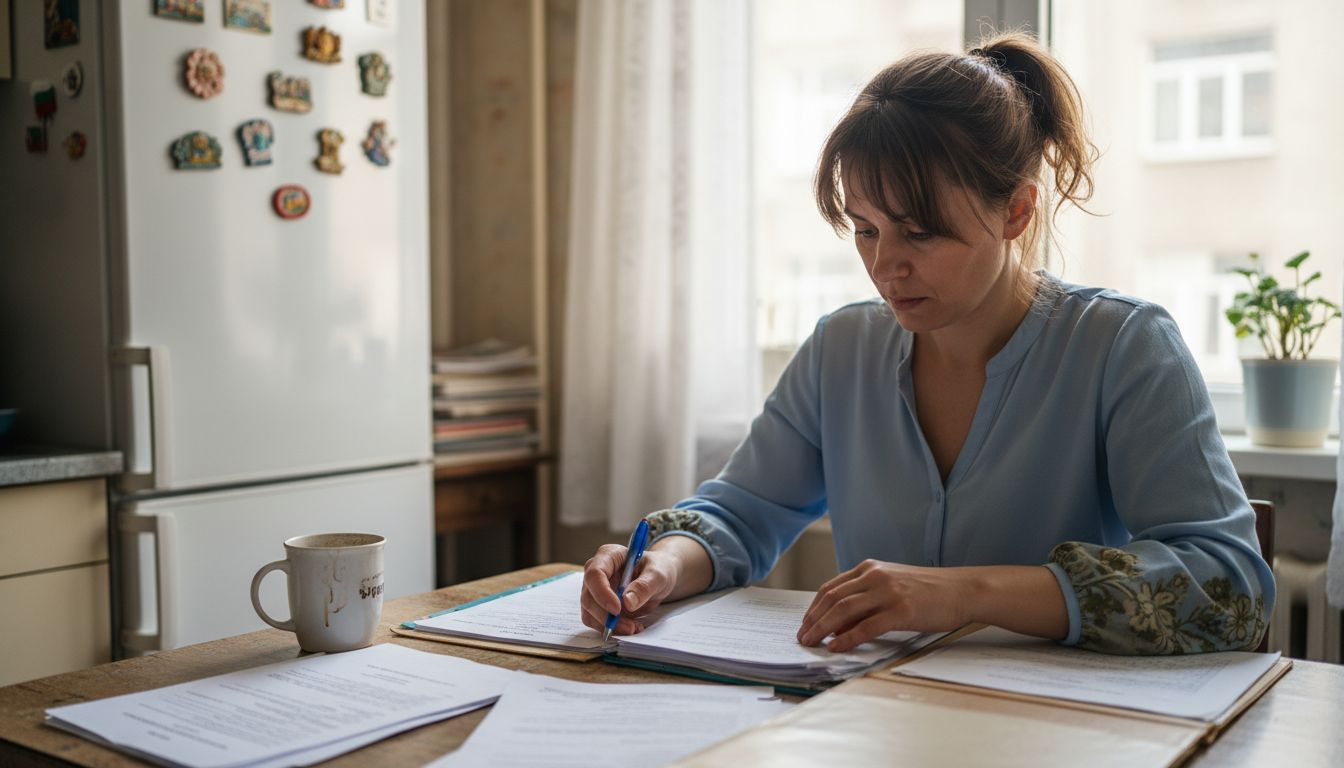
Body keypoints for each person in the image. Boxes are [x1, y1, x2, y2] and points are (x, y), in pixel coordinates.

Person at [579, 31, 1274, 655]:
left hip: (1063, 734)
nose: (887, 266)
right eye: (865, 228)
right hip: (873, 719)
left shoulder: (1123, 346)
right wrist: (663, 565)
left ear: (1017, 210)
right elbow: (740, 512)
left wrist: (962, 593)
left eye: (921, 231)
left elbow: (1229, 583)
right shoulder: (841, 348)